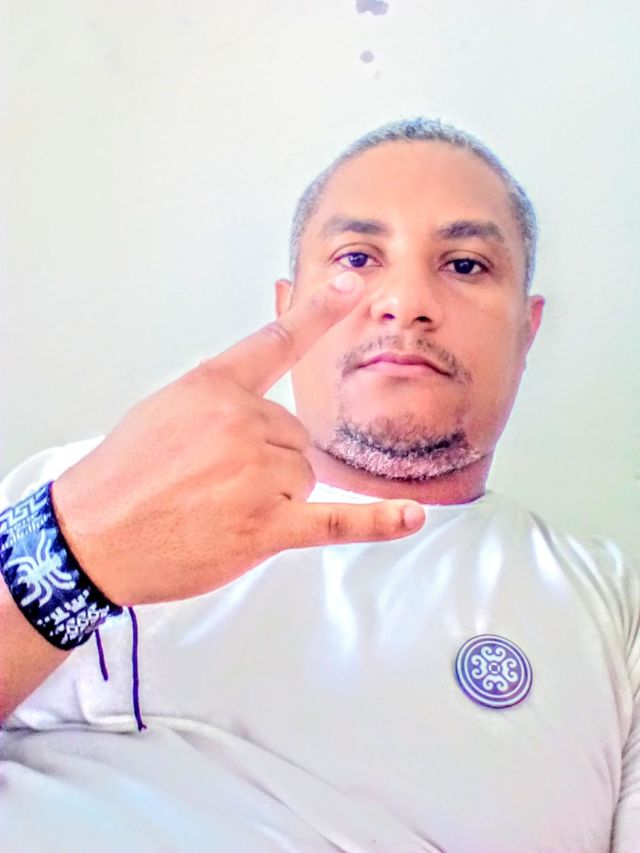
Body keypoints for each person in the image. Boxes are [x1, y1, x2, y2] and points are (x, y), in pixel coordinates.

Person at [0, 117, 638, 852]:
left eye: (465, 265)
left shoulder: (611, 610)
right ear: (287, 306)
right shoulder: (84, 487)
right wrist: (77, 552)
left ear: (528, 330)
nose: (406, 301)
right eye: (357, 257)